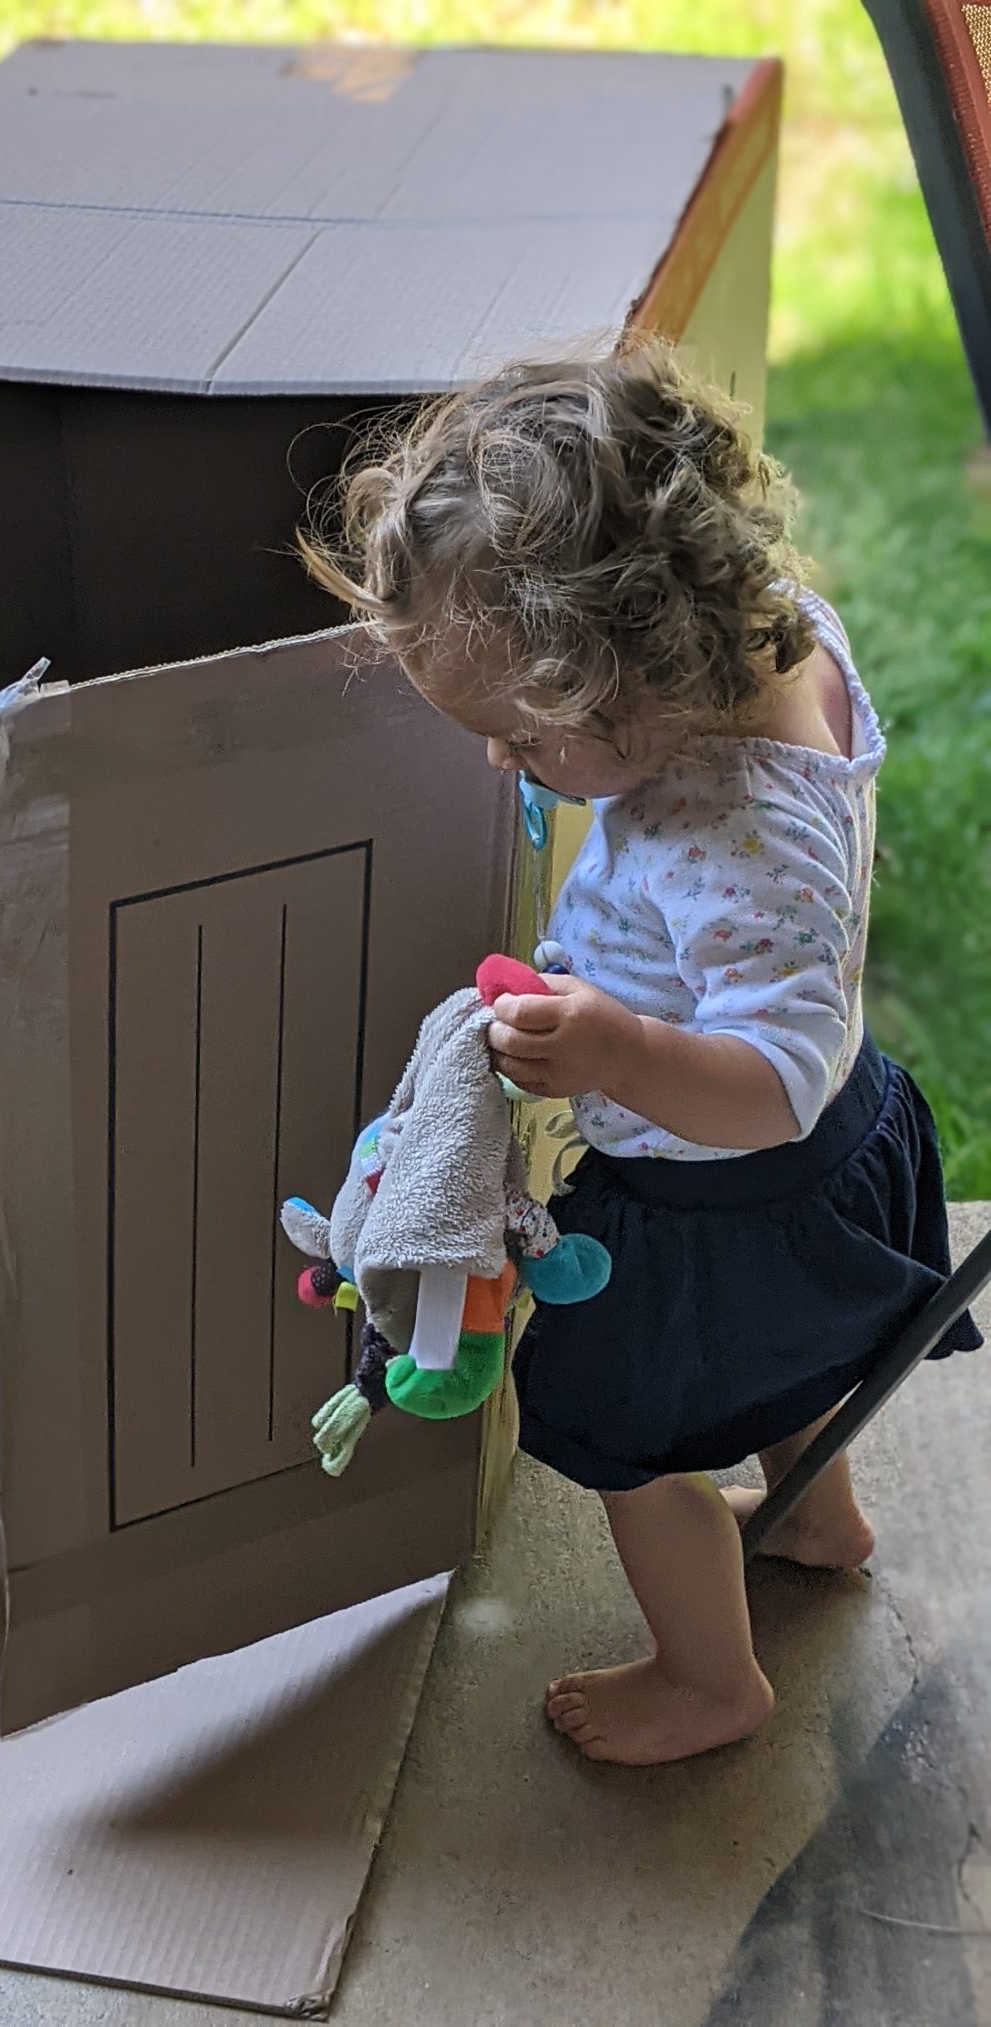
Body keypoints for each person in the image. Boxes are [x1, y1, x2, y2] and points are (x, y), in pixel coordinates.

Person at [298, 333, 981, 1767]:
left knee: (634, 1447)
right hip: (841, 1150)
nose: (505, 767)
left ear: (637, 690)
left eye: (526, 742)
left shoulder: (738, 841)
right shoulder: (776, 628)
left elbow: (774, 1090)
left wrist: (613, 1047)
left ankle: (706, 1676)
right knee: (805, 1361)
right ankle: (822, 1526)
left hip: (728, 1189)